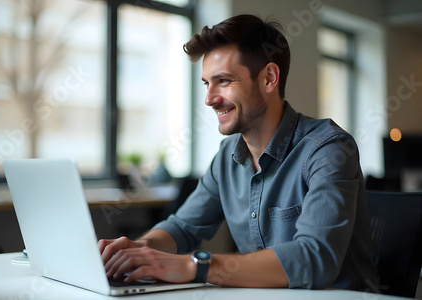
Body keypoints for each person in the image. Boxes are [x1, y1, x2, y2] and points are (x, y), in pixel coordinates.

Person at [98, 14, 376, 290]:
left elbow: (316, 258)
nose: (209, 99)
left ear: (269, 78)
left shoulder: (328, 148)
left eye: (224, 81)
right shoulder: (227, 155)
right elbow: (183, 227)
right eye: (207, 83)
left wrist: (195, 266)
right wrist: (137, 250)